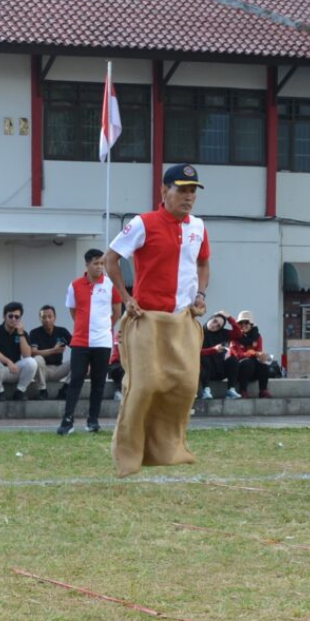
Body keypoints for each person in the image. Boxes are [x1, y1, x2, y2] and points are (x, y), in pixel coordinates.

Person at [105, 164, 210, 475]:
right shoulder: (143, 223)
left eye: (193, 190)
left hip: (183, 319)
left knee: (187, 384)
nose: (189, 196)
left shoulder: (199, 228)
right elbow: (112, 258)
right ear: (164, 191)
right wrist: (126, 298)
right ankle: (128, 454)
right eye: (182, 189)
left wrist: (201, 294)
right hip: (147, 318)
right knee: (145, 385)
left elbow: (203, 264)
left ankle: (167, 449)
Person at [57, 248, 120, 434]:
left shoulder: (110, 285)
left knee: (98, 382)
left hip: (102, 342)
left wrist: (104, 328)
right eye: (96, 263)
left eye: (102, 263)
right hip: (80, 341)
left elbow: (117, 312)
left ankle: (93, 420)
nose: (100, 267)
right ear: (87, 264)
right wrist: (84, 326)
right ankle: (67, 420)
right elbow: (73, 310)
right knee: (75, 380)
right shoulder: (75, 285)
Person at [0, 302, 38, 400]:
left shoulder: (23, 333)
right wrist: (8, 361)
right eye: (10, 316)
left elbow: (27, 355)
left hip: (15, 369)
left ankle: (20, 391)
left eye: (17, 317)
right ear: (4, 317)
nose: (13, 319)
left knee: (32, 362)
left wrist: (21, 334)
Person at [29, 304, 72, 399]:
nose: (47, 320)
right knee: (37, 359)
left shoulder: (62, 331)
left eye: (50, 316)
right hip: (42, 371)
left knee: (79, 359)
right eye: (44, 317)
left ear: (55, 318)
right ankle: (43, 391)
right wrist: (53, 350)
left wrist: (88, 363)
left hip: (58, 369)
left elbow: (76, 347)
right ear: (40, 319)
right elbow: (33, 352)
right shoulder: (34, 333)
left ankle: (65, 389)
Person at [229, 310, 273, 399]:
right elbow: (236, 355)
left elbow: (259, 351)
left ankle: (263, 390)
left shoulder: (257, 337)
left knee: (264, 363)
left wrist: (261, 355)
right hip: (240, 369)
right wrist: (254, 353)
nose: (243, 325)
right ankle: (243, 390)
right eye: (241, 323)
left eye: (246, 323)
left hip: (254, 369)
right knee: (247, 362)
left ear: (251, 325)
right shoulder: (234, 337)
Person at [198, 311, 240, 400]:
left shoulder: (223, 333)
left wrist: (229, 318)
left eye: (218, 326)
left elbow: (238, 334)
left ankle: (231, 389)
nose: (215, 326)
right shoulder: (198, 332)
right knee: (205, 357)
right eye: (214, 321)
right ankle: (206, 390)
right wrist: (213, 350)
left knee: (233, 359)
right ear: (210, 319)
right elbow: (194, 352)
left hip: (220, 370)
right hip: (205, 372)